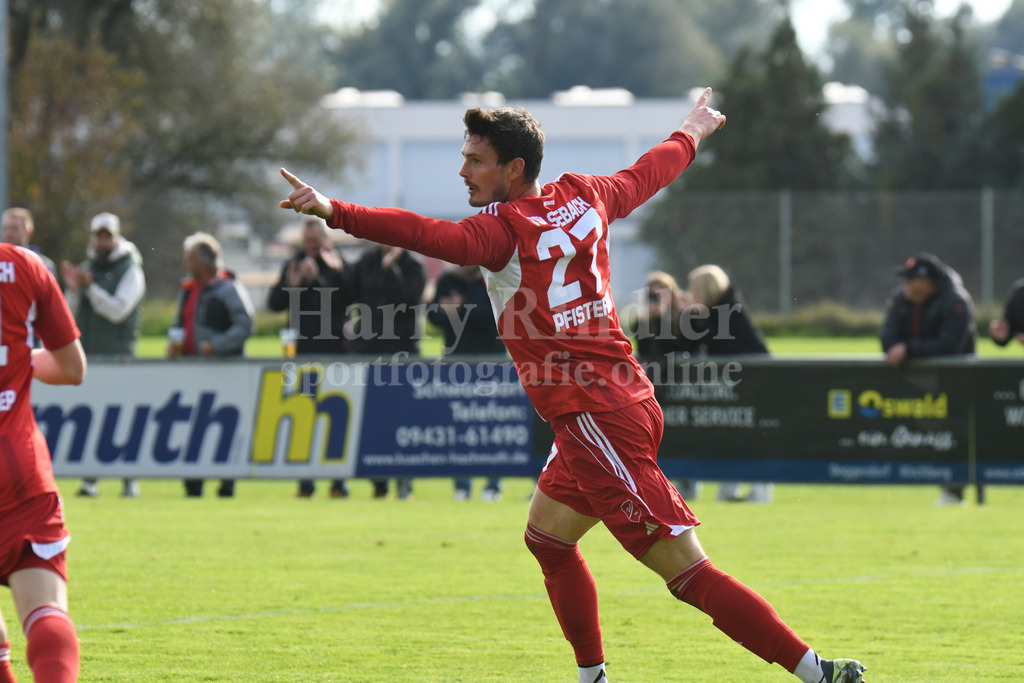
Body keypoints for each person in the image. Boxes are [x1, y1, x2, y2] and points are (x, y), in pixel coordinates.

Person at [280, 88, 866, 683]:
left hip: (594, 418)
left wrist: (335, 210)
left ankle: (818, 672)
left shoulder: (502, 232)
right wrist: (690, 130)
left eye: (475, 160)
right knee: (547, 540)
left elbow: (430, 236)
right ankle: (593, 678)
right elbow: (648, 173)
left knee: (687, 573)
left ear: (514, 169)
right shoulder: (586, 195)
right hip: (621, 400)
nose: (462, 170)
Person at [0, 242, 86, 682]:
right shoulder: (24, 264)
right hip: (18, 470)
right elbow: (73, 369)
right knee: (45, 612)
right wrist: (19, 360)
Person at [880, 252, 977, 507]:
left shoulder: (955, 300)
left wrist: (908, 349)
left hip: (955, 382)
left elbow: (950, 344)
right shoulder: (900, 299)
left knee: (957, 433)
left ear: (926, 282)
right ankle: (948, 488)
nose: (906, 285)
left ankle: (958, 491)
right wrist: (901, 347)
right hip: (915, 382)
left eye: (911, 280)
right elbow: (887, 337)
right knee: (927, 431)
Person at [61, 212, 145, 499]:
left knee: (124, 418)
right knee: (89, 418)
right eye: (99, 235)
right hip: (89, 356)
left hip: (119, 356)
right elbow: (67, 317)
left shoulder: (131, 269)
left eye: (108, 236)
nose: (103, 241)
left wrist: (91, 289)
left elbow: (117, 310)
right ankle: (90, 481)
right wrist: (73, 290)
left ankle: (129, 480)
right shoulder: (86, 269)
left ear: (116, 237)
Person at [266, 216, 352, 499]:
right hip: (303, 349)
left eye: (315, 242)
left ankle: (338, 483)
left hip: (334, 350)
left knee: (337, 416)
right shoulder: (295, 263)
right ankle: (306, 482)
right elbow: (274, 303)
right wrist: (292, 285)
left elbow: (351, 297)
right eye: (307, 242)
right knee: (304, 414)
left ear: (325, 240)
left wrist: (322, 277)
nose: (311, 248)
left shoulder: (337, 262)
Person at [168, 232, 255, 498]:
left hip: (225, 371)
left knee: (223, 426)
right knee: (191, 428)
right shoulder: (188, 290)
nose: (186, 264)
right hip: (192, 369)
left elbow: (246, 325)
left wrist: (217, 345)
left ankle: (226, 482)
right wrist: (174, 342)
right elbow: (179, 324)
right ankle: (193, 482)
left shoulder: (229, 288)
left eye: (189, 259)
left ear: (202, 263)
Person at [686, 264, 773, 504]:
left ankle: (759, 489)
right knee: (733, 435)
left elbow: (718, 341)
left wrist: (694, 316)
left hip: (752, 380)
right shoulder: (721, 307)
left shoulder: (728, 309)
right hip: (741, 381)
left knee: (749, 435)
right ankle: (730, 488)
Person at [347, 243, 426, 500]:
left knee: (405, 419)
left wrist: (390, 270)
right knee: (373, 420)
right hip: (370, 350)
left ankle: (405, 481)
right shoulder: (366, 261)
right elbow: (347, 293)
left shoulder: (413, 266)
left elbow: (409, 299)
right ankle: (378, 482)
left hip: (402, 352)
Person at [427, 265, 507, 501]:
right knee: (459, 424)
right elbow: (432, 315)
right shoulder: (448, 279)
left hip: (490, 361)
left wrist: (460, 309)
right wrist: (447, 311)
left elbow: (498, 316)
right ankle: (462, 484)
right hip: (457, 362)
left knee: (493, 424)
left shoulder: (493, 278)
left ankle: (493, 484)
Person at [627, 271, 701, 500]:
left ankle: (689, 482)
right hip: (654, 390)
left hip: (682, 387)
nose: (657, 297)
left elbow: (685, 346)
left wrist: (667, 317)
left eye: (663, 292)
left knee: (684, 435)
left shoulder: (686, 315)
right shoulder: (645, 318)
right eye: (652, 293)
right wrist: (648, 319)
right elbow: (643, 348)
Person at [1, 207, 57, 279]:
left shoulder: (42, 264)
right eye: (5, 228)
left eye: (14, 228)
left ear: (29, 233)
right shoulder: (1, 261)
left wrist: (72, 290)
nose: (8, 234)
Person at [988, 277, 1024, 348]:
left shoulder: (1010, 308)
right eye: (1001, 331)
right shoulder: (1019, 327)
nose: (1000, 327)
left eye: (997, 329)